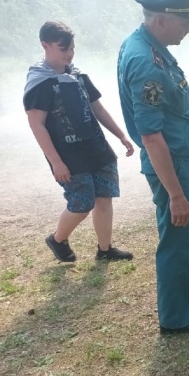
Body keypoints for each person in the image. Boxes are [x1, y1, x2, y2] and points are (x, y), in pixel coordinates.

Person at [117, 0, 189, 334]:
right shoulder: (145, 62)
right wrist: (175, 193)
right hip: (169, 164)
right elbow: (150, 135)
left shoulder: (150, 46)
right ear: (161, 20)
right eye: (184, 22)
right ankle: (176, 317)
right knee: (177, 235)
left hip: (178, 158)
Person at [24, 21, 135, 263]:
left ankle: (105, 250)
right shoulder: (40, 83)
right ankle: (58, 239)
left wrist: (121, 135)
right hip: (68, 155)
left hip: (96, 147)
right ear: (45, 45)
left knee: (104, 197)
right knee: (82, 203)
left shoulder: (78, 75)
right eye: (63, 49)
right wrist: (56, 162)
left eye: (72, 48)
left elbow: (98, 109)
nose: (69, 54)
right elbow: (37, 125)